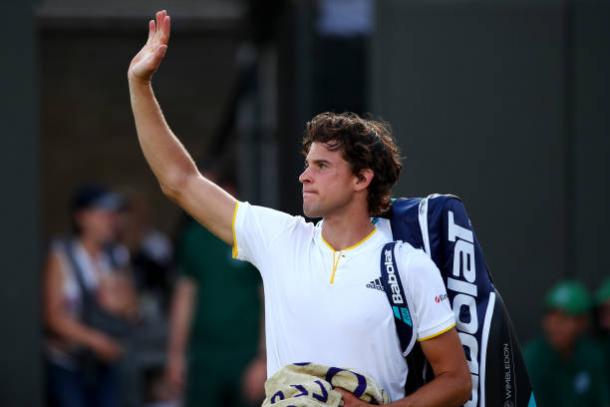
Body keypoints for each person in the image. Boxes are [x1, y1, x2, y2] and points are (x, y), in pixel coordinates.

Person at [127, 10, 470, 406]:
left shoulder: (409, 266)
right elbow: (180, 181)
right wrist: (140, 84)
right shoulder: (281, 238)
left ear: (362, 179)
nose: (304, 176)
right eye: (307, 164)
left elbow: (456, 380)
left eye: (322, 166)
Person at [43, 184, 138, 407]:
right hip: (68, 365)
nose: (111, 220)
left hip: (106, 365)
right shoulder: (62, 256)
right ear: (82, 217)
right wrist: (96, 341)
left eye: (114, 214)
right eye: (103, 213)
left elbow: (132, 309)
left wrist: (120, 304)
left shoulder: (116, 255)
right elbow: (53, 316)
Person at [165, 214, 265, 407]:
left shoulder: (251, 235)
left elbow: (269, 299)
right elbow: (184, 297)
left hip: (246, 355)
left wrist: (264, 359)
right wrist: (175, 355)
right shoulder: (194, 236)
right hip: (203, 357)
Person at [524, 280, 610, 407]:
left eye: (564, 318)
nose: (555, 325)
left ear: (583, 322)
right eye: (551, 317)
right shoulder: (531, 358)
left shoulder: (594, 356)